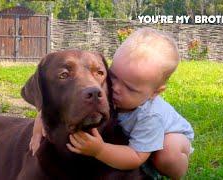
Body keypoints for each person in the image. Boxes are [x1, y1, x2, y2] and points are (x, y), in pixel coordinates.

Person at [30, 27, 194, 180]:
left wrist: (100, 150)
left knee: (166, 155)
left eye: (129, 88)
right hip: (137, 138)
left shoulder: (151, 116)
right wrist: (39, 127)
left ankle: (175, 169)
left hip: (170, 136)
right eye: (112, 76)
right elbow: (48, 106)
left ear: (154, 93)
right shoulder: (113, 94)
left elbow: (135, 157)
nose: (115, 88)